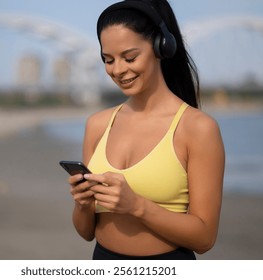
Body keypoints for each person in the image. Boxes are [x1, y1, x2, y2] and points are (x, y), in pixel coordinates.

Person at [68, 0, 225, 260]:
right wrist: (82, 203)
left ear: (161, 48)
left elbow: (205, 238)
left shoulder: (197, 128)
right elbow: (86, 232)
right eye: (108, 60)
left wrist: (137, 205)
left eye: (130, 57)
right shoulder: (97, 125)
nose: (118, 70)